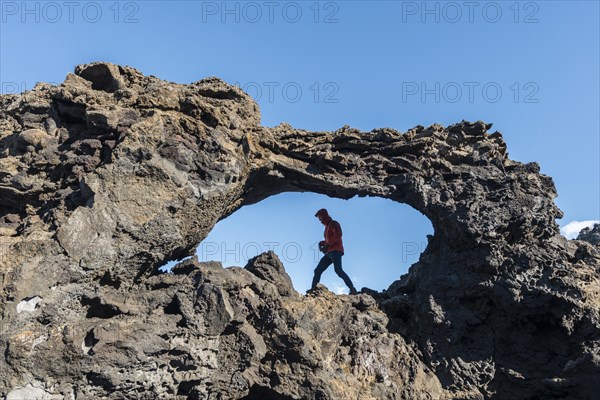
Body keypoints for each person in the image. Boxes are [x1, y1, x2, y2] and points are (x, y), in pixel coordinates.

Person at [310, 208, 358, 295]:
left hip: (336, 251)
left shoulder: (333, 223)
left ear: (324, 216)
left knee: (338, 270)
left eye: (320, 218)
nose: (320, 221)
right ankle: (313, 290)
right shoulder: (327, 227)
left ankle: (352, 289)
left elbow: (338, 235)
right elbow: (329, 239)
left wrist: (327, 245)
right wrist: (321, 243)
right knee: (317, 270)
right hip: (329, 253)